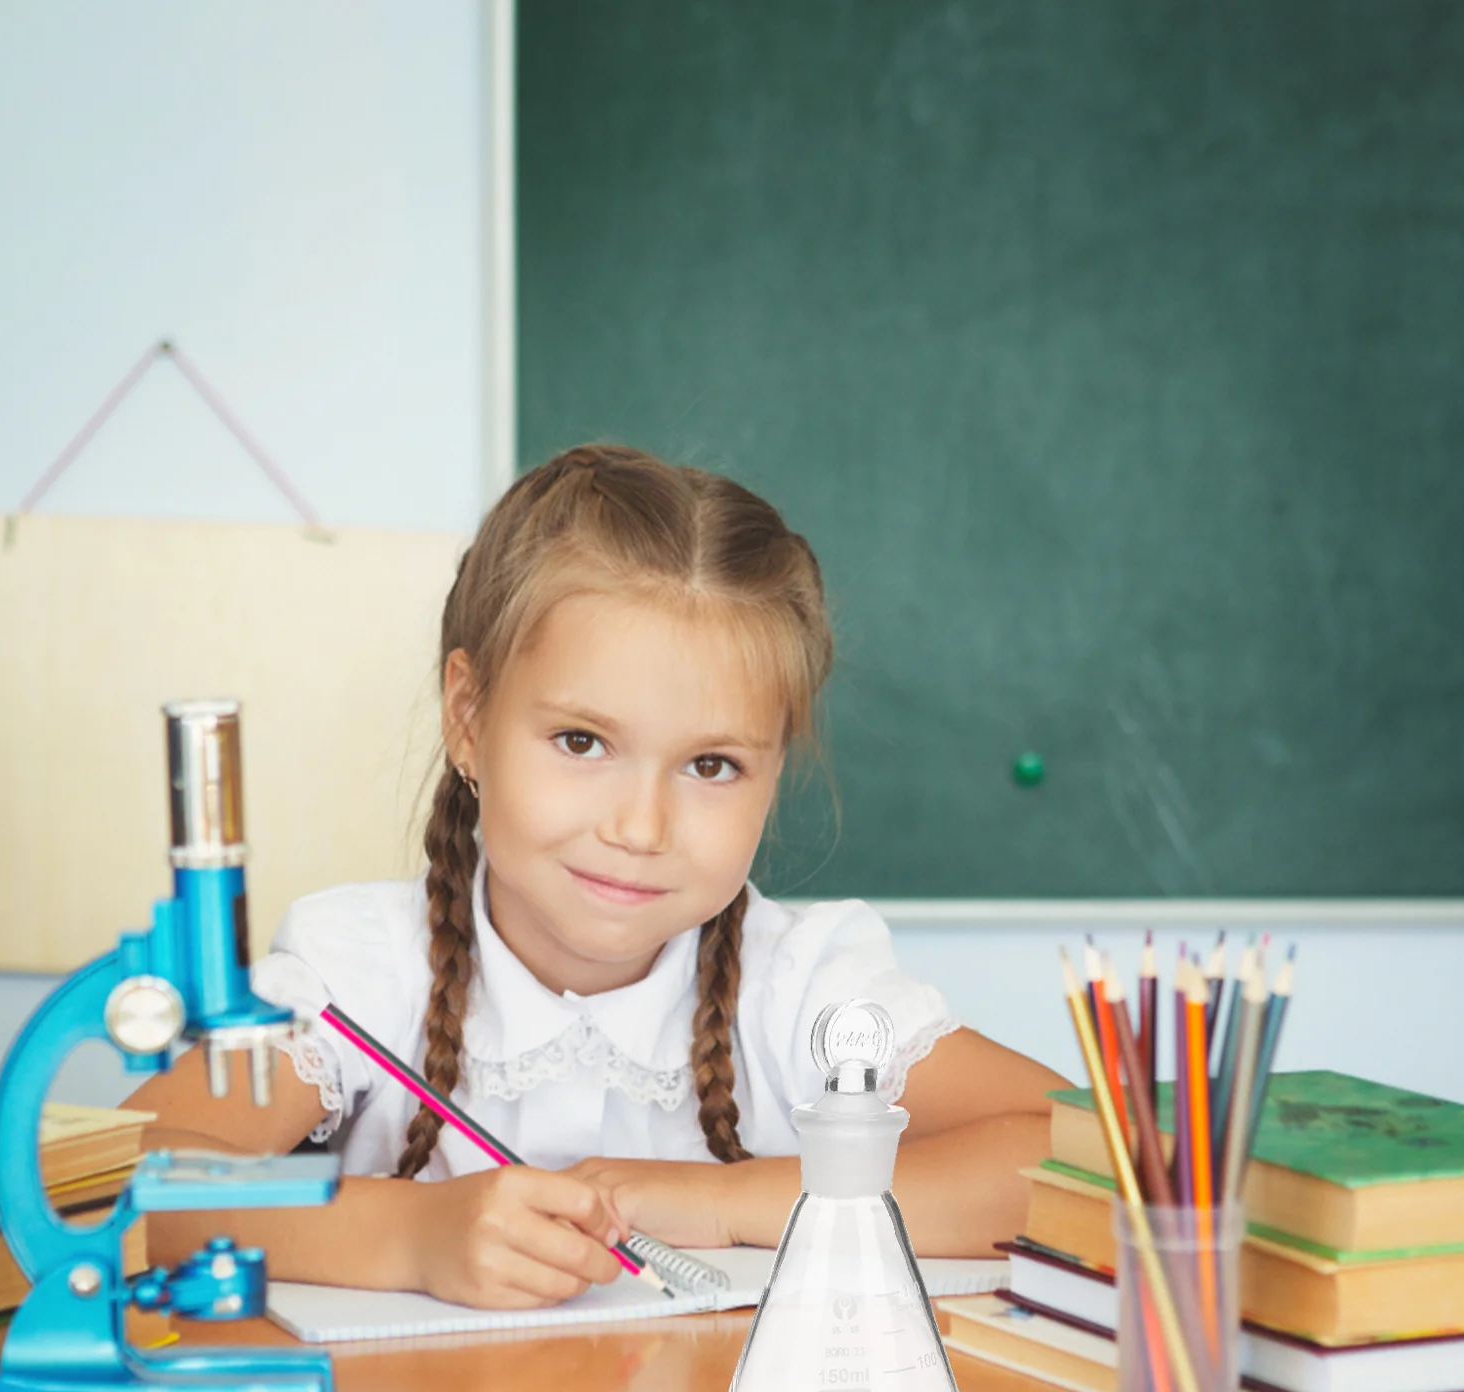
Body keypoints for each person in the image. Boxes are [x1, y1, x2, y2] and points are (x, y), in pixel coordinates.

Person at [128, 445, 1067, 1309]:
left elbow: (1075, 1158)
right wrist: (410, 1236)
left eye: (712, 766)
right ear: (468, 717)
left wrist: (728, 1200)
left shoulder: (802, 989)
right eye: (582, 741)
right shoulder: (357, 973)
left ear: (773, 772)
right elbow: (123, 1173)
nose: (640, 826)